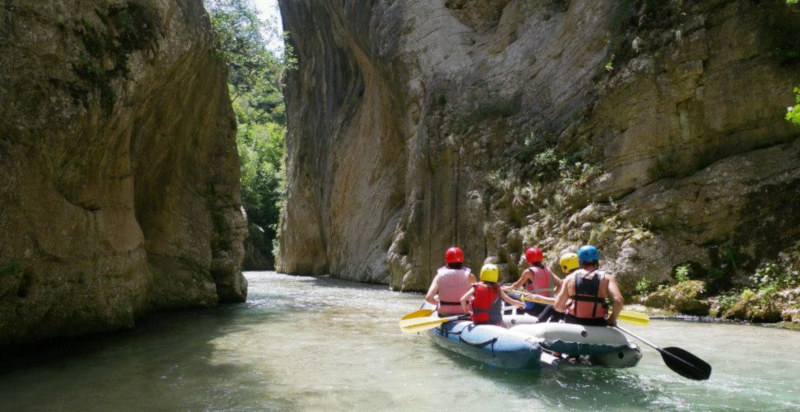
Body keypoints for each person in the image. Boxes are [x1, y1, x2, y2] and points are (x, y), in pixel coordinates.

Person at [554, 245, 624, 327]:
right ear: (597, 260)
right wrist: (612, 319)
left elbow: (558, 307)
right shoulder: (607, 278)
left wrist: (568, 306)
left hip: (573, 323)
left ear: (580, 260)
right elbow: (619, 301)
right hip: (597, 324)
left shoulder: (570, 278)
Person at [505, 247, 562, 317]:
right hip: (548, 305)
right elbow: (560, 284)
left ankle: (513, 319)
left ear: (528, 259)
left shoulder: (528, 272)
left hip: (536, 307)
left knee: (510, 295)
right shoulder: (548, 269)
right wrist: (553, 292)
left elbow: (515, 286)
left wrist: (504, 288)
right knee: (523, 299)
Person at [460, 264, 524, 325]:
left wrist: (466, 312)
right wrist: (521, 304)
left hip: (478, 321)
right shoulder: (497, 288)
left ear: (482, 273)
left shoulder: (476, 287)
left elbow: (463, 299)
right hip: (495, 322)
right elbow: (510, 300)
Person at [527, 252, 579, 323]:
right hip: (589, 316)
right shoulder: (583, 278)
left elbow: (558, 302)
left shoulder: (569, 281)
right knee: (556, 311)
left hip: (575, 317)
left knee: (552, 307)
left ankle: (538, 323)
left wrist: (538, 297)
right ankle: (551, 324)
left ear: (565, 267)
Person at [425, 246, 477, 316]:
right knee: (471, 297)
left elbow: (428, 298)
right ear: (462, 260)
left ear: (447, 261)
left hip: (444, 312)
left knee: (437, 297)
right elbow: (478, 297)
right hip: (464, 311)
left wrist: (439, 304)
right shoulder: (470, 276)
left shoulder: (439, 276)